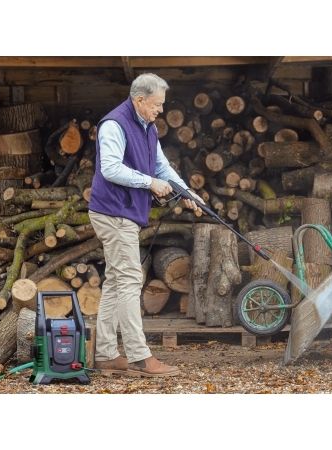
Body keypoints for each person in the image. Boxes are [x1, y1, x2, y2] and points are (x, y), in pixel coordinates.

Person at [88, 73, 202, 377]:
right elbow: (110, 168)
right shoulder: (114, 124)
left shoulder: (147, 126)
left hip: (123, 213)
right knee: (129, 280)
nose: (161, 110)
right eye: (157, 104)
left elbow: (161, 166)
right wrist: (149, 183)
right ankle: (140, 356)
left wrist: (186, 192)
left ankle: (106, 354)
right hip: (113, 212)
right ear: (139, 100)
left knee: (116, 280)